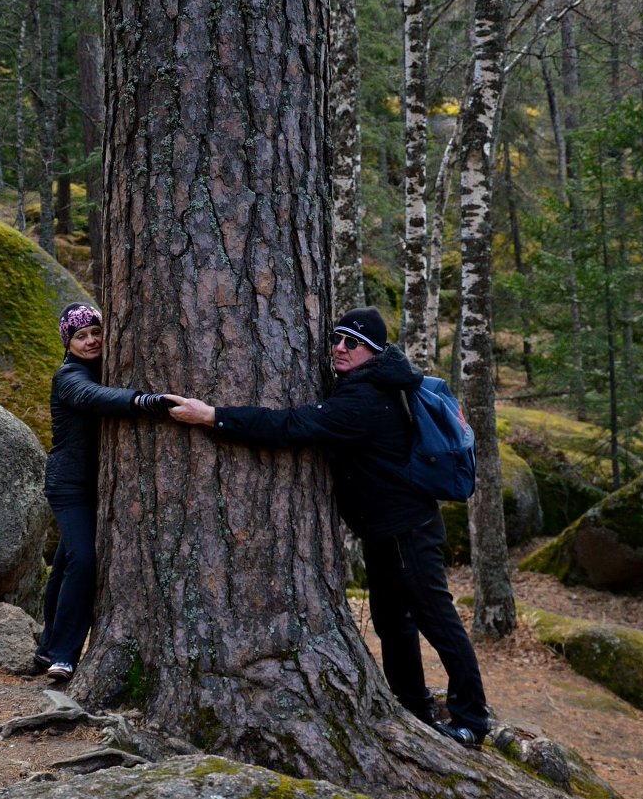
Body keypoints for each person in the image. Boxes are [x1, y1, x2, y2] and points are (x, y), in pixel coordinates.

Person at [165, 307, 490, 747]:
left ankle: (471, 719)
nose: (339, 348)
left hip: (407, 531)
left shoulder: (364, 400)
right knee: (392, 622)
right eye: (336, 339)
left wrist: (213, 415)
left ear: (372, 352)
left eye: (351, 343)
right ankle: (414, 708)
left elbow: (293, 425)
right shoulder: (370, 385)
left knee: (437, 621)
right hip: (387, 530)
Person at [35, 302, 172, 683]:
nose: (92, 340)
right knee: (84, 561)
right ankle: (64, 654)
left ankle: (47, 647)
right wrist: (144, 400)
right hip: (70, 485)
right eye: (81, 336)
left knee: (65, 566)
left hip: (98, 485)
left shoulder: (108, 367)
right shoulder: (69, 376)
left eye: (96, 331)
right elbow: (92, 397)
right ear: (68, 342)